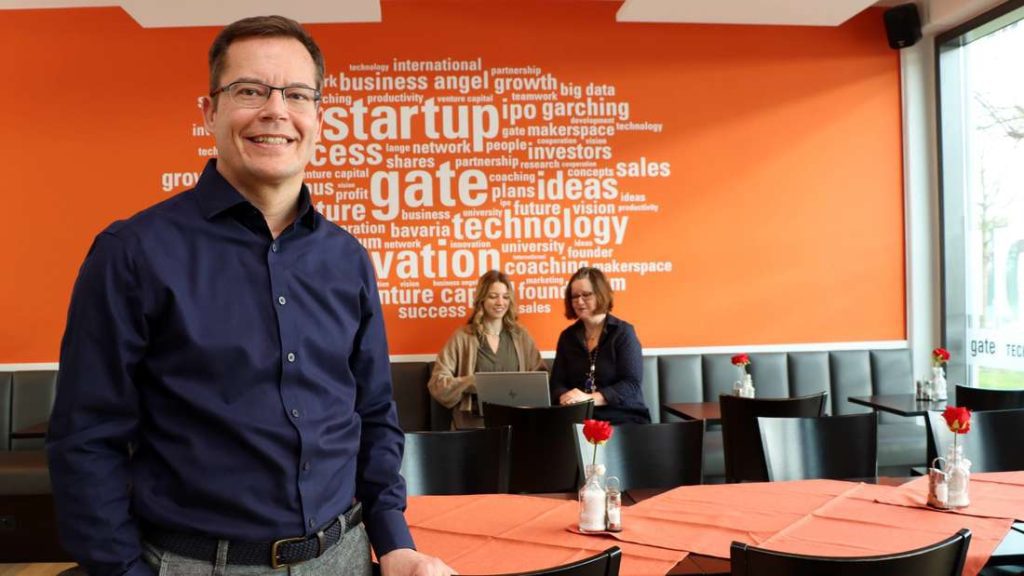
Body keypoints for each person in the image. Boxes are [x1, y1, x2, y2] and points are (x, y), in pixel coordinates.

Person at [46, 15, 453, 576]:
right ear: (209, 112)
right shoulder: (132, 253)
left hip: (346, 557)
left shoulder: (347, 258)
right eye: (249, 90)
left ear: (318, 117)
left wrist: (395, 541)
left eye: (296, 94)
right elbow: (86, 439)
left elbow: (374, 412)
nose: (275, 110)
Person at [428, 270, 547, 429]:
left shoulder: (521, 336)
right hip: (472, 427)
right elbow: (437, 384)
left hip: (516, 424)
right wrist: (469, 382)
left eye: (505, 297)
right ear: (481, 299)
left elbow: (542, 378)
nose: (500, 302)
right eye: (493, 296)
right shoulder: (463, 336)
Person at [550, 267, 651, 425]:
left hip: (622, 416)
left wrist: (589, 399)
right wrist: (565, 397)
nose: (579, 301)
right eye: (574, 296)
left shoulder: (622, 332)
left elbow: (631, 384)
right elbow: (557, 383)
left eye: (586, 295)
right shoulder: (567, 337)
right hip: (580, 417)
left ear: (600, 294)